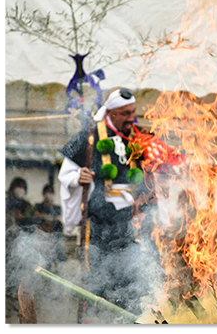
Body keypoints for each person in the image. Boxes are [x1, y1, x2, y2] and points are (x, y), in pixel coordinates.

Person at [58, 88, 156, 314]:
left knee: (134, 277)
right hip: (101, 218)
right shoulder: (89, 135)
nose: (131, 118)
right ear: (110, 112)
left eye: (133, 112)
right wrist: (78, 176)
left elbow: (154, 171)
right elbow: (67, 173)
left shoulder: (140, 136)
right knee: (100, 277)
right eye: (124, 113)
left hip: (134, 217)